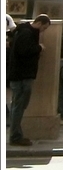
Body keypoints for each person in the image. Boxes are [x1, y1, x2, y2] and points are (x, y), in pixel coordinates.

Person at [8, 14, 51, 146]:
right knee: (18, 106)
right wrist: (39, 48)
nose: (43, 30)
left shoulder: (24, 32)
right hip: (22, 75)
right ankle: (15, 137)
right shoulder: (26, 33)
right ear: (39, 23)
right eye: (44, 27)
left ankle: (16, 134)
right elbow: (24, 51)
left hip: (21, 74)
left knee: (19, 105)